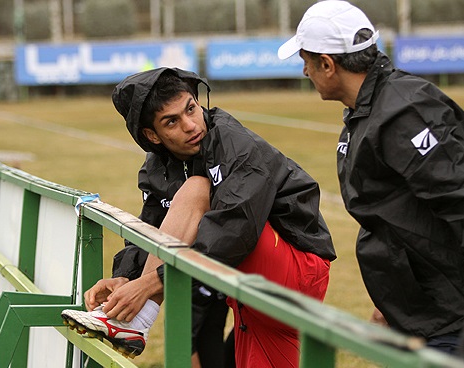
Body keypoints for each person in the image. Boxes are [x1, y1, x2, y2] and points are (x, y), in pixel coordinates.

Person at [62, 67, 336, 367]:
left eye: (191, 109)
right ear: (152, 135)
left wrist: (149, 285)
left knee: (196, 188)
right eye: (172, 122)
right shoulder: (156, 167)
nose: (191, 125)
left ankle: (138, 321)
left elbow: (234, 233)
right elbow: (150, 230)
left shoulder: (236, 145)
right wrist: (125, 277)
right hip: (247, 285)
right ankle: (133, 319)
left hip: (296, 267)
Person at [278, 0, 464, 355]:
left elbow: (458, 200)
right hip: (420, 310)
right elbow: (393, 217)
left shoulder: (404, 111)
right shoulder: (367, 110)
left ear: (328, 65)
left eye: (305, 61)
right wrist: (393, 300)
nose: (304, 72)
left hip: (449, 315)